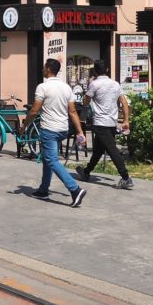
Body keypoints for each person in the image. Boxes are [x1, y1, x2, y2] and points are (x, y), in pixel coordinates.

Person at [25, 58, 89, 207]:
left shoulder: (42, 87)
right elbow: (72, 111)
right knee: (49, 158)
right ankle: (43, 190)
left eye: (43, 67)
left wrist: (24, 126)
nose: (42, 70)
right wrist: (80, 131)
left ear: (48, 69)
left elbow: (34, 110)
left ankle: (75, 189)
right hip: (63, 129)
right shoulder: (66, 87)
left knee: (51, 160)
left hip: (49, 129)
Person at [77, 59, 133, 189]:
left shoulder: (94, 84)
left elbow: (85, 102)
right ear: (107, 70)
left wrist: (87, 90)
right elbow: (124, 103)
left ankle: (126, 177)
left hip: (100, 122)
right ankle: (86, 172)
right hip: (112, 122)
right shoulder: (115, 84)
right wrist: (126, 120)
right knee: (98, 150)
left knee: (112, 150)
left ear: (95, 71)